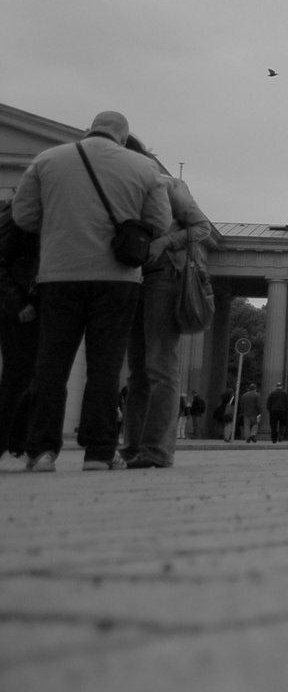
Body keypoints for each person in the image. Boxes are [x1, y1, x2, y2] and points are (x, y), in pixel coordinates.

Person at [9, 111, 171, 472]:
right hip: (117, 278)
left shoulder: (47, 160)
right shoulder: (143, 168)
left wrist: (62, 226)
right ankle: (99, 452)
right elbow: (159, 223)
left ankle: (41, 452)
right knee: (106, 366)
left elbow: (24, 217)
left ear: (89, 130)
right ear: (123, 136)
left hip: (58, 275)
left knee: (51, 365)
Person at [117, 154, 212, 469]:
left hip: (164, 277)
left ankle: (157, 450)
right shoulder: (121, 188)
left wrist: (166, 242)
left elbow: (201, 228)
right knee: (137, 370)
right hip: (133, 279)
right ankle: (132, 447)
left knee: (160, 365)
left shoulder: (170, 186)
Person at [0, 197, 40, 470]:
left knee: (26, 376)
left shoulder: (32, 216)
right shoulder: (16, 217)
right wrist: (18, 303)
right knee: (16, 377)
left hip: (29, 305)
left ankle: (16, 442)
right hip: (18, 309)